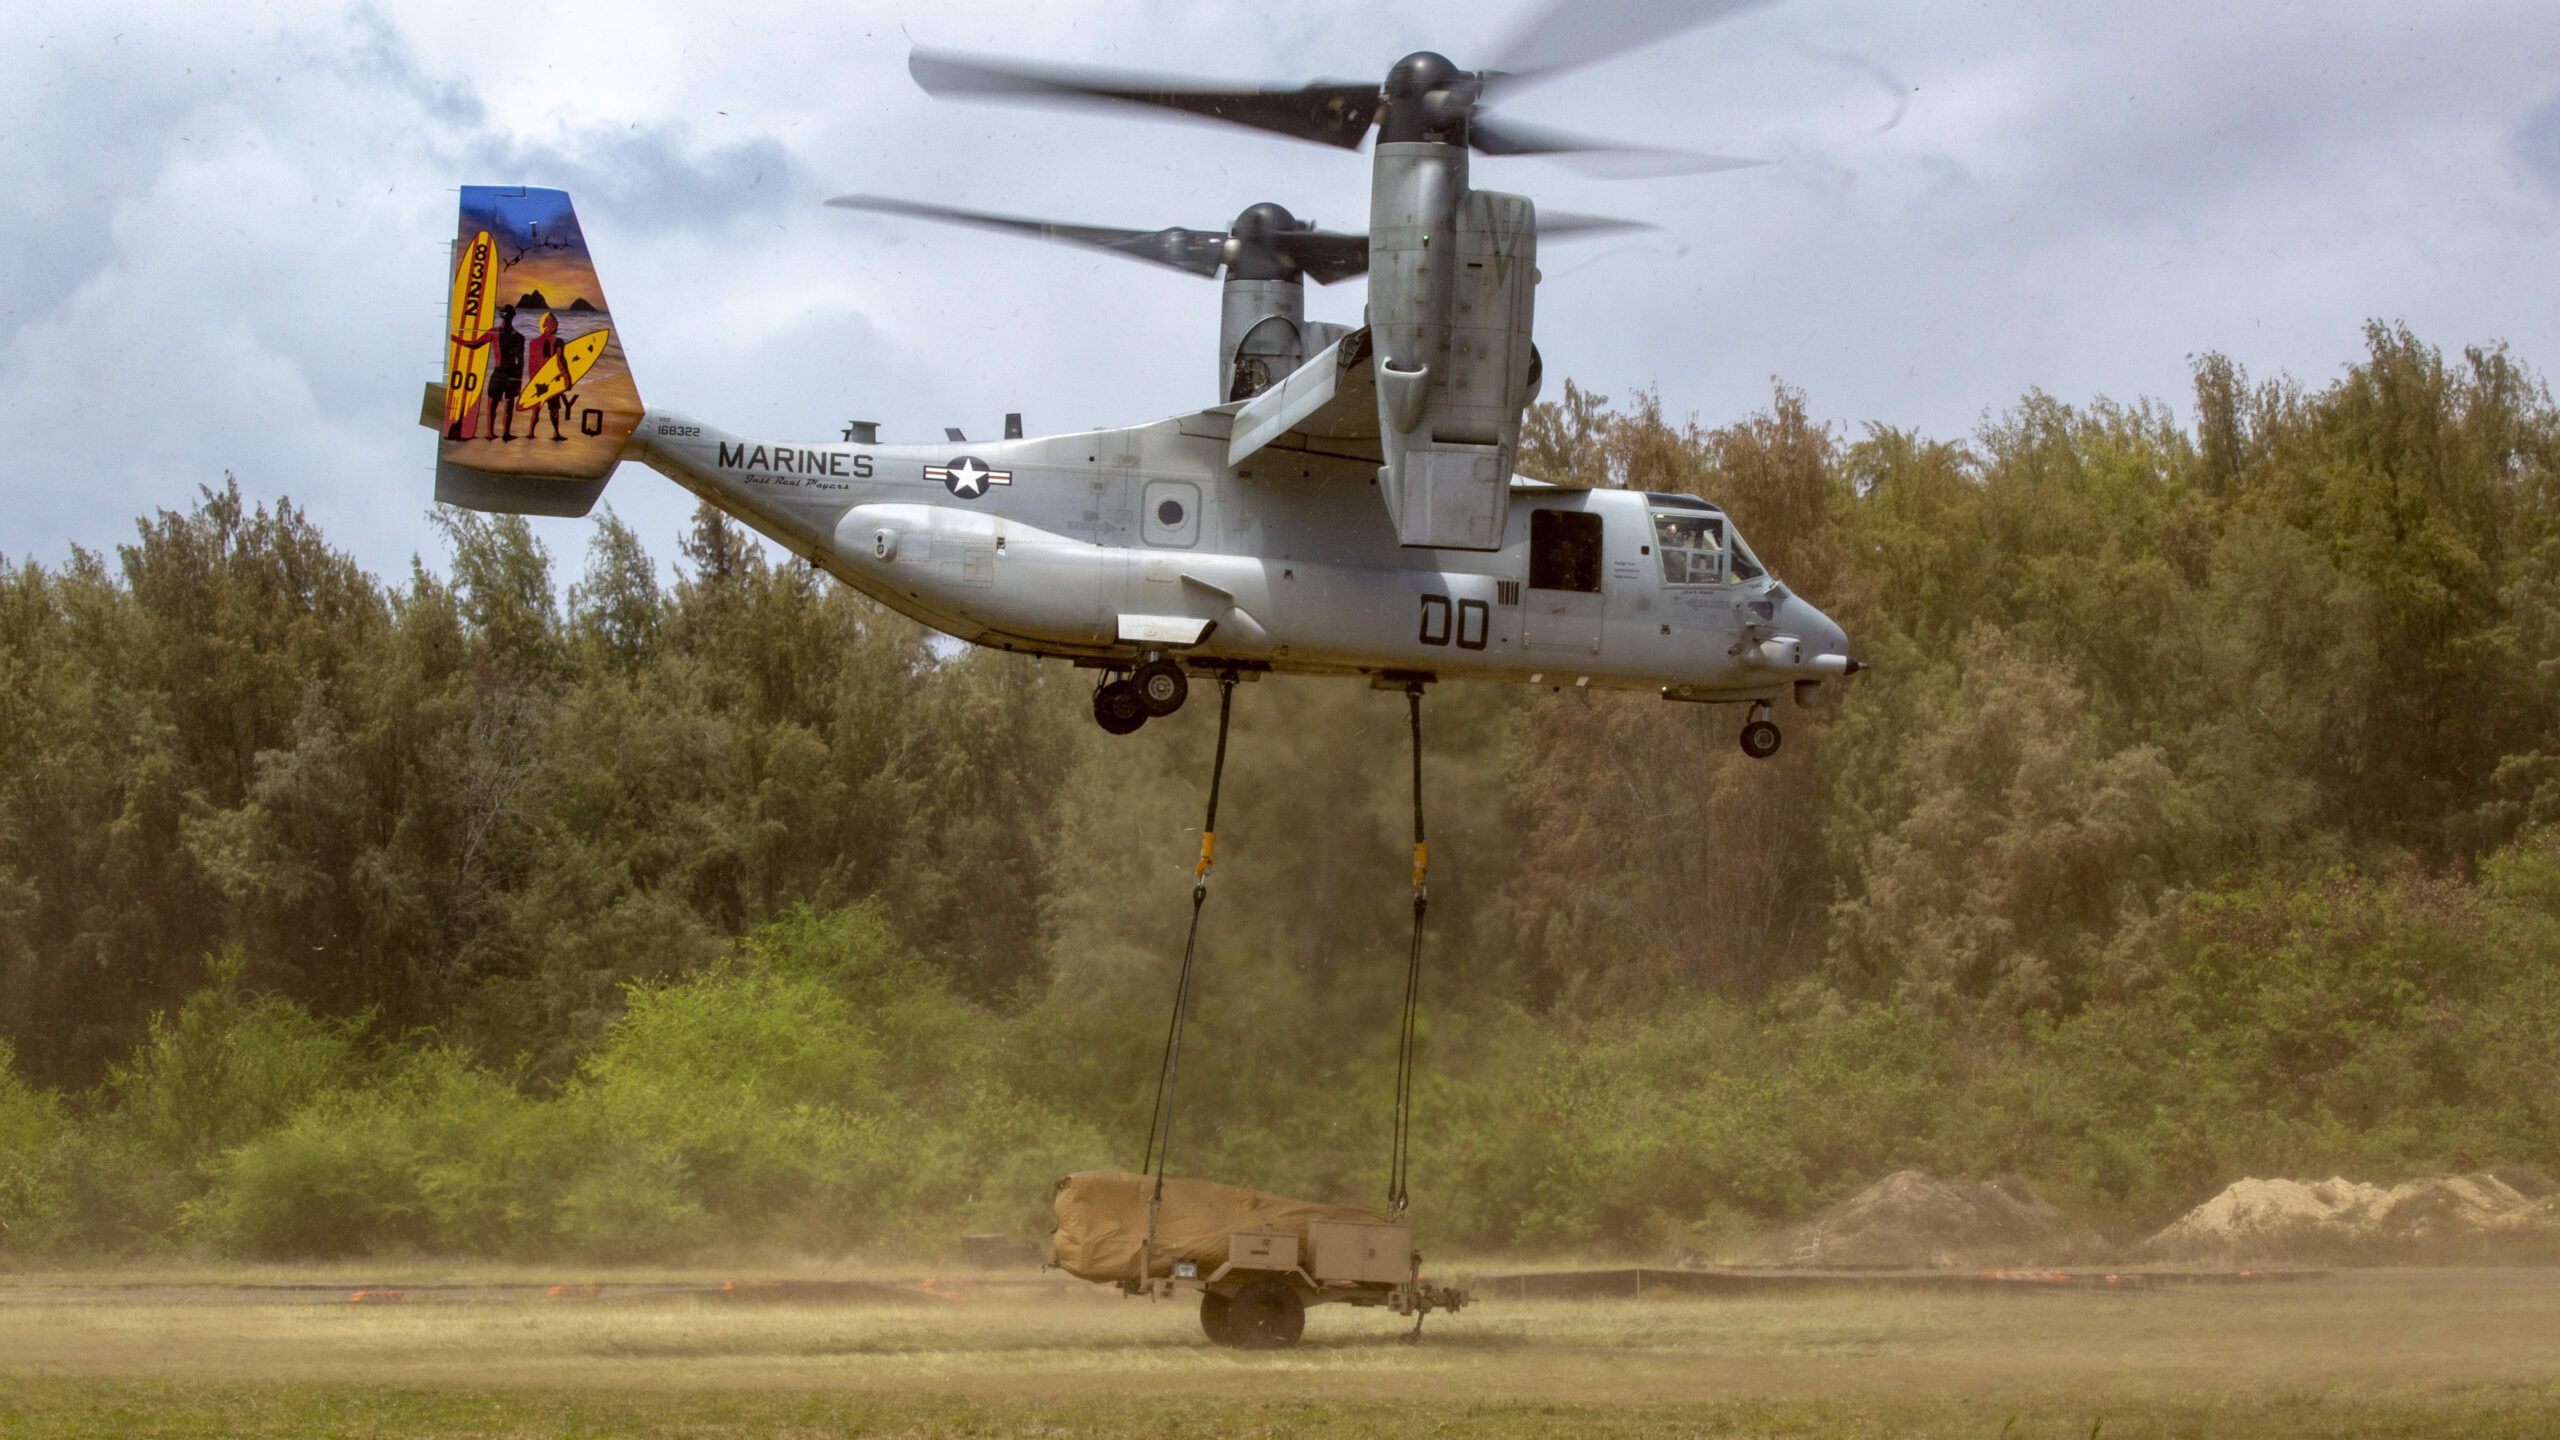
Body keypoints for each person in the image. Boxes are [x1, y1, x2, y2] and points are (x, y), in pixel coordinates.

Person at [525, 311, 570, 442]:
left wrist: (532, 381)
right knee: (554, 409)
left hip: (539, 379)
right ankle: (555, 433)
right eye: (555, 323)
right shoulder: (558, 341)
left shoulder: (534, 342)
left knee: (537, 410)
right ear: (554, 325)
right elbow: (560, 361)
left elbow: (531, 364)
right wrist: (566, 378)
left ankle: (531, 432)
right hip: (552, 379)